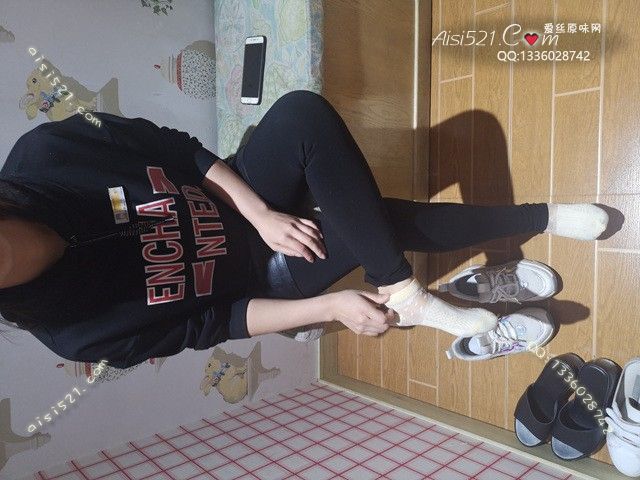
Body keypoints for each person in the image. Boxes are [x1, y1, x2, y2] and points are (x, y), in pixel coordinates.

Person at [0, 90, 609, 369]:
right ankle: (540, 219)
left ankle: (405, 289)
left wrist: (259, 213)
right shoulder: (75, 334)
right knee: (376, 224)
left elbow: (175, 149)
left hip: (242, 196)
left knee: (300, 114)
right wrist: (330, 306)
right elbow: (213, 323)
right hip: (261, 277)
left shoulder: (46, 153)